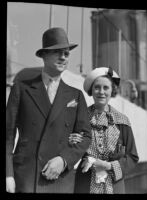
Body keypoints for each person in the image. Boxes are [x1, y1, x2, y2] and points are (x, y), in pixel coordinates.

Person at [6, 27, 91, 193]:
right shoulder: (22, 89)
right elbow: (8, 136)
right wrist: (7, 174)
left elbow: (86, 136)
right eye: (57, 52)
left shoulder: (76, 95)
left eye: (66, 53)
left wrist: (64, 160)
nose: (63, 57)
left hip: (61, 179)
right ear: (44, 55)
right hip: (27, 177)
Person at [69, 67, 139, 194]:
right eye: (97, 87)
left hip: (115, 185)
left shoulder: (122, 121)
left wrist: (108, 166)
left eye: (106, 88)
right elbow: (70, 147)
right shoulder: (80, 117)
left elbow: (132, 157)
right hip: (85, 183)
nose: (101, 92)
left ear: (112, 90)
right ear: (91, 90)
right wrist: (72, 140)